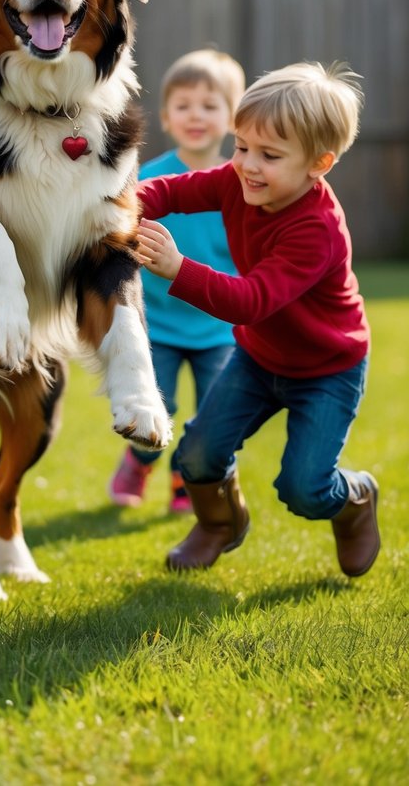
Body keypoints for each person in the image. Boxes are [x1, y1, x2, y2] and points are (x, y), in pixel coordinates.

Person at [136, 61, 380, 578]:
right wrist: (123, 203)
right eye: (242, 146)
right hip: (260, 356)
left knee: (305, 489)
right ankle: (220, 523)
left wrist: (177, 269)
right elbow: (174, 189)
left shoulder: (315, 230)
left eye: (268, 155)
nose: (245, 164)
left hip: (326, 369)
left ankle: (356, 498)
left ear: (320, 162)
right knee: (198, 454)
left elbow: (250, 300)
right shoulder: (237, 180)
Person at [108, 48, 245, 513]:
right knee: (153, 414)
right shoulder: (149, 180)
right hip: (159, 327)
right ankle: (139, 459)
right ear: (166, 116)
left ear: (232, 117)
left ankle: (186, 483)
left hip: (218, 331)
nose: (196, 116)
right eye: (184, 106)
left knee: (215, 416)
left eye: (210, 106)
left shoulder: (244, 185)